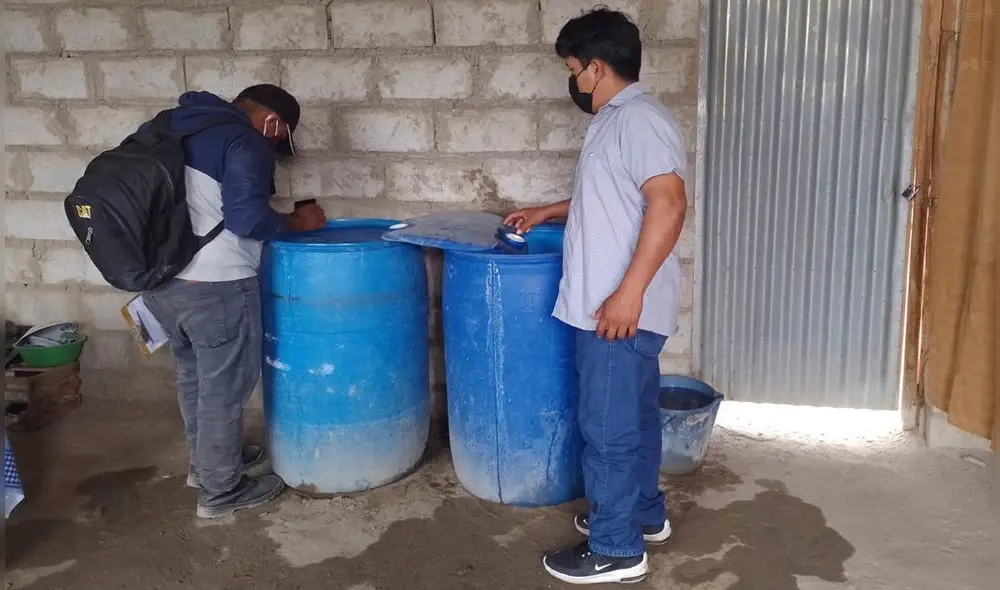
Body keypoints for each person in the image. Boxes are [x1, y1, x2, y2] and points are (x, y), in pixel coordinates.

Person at [504, 9, 688, 585]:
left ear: (596, 68)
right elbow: (612, 197)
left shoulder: (639, 121)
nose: (572, 79)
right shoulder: (614, 121)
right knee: (632, 418)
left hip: (617, 310)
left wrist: (627, 294)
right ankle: (641, 515)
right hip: (617, 307)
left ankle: (616, 549)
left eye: (573, 68)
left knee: (607, 430)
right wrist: (548, 211)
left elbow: (669, 202)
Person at [142, 85, 327, 519]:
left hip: (163, 281)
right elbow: (248, 220)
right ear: (274, 122)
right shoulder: (244, 140)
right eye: (280, 138)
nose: (275, 145)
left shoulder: (169, 124)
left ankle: (204, 467)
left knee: (195, 376)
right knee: (225, 388)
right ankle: (221, 491)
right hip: (216, 284)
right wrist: (297, 222)